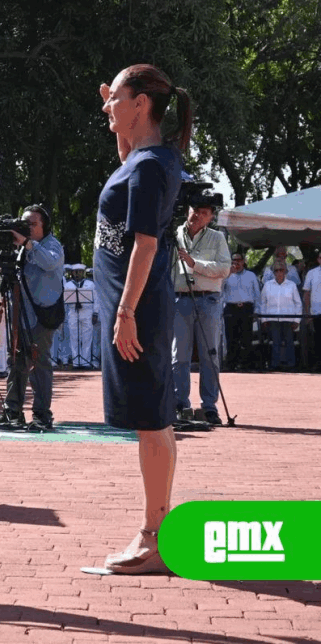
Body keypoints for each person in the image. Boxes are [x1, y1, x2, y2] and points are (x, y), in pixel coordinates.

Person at [90, 64, 189, 574]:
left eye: (116, 99)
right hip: (133, 305)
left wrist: (126, 311)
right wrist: (117, 118)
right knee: (156, 421)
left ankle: (153, 538)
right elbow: (126, 166)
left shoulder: (152, 166)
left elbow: (146, 244)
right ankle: (160, 530)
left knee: (151, 422)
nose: (106, 106)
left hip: (139, 307)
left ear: (142, 104)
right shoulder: (144, 159)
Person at [0, 205, 65, 430]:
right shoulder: (21, 246)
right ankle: (12, 410)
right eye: (24, 223)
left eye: (32, 224)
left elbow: (50, 263)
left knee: (40, 362)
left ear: (45, 226)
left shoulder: (51, 245)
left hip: (42, 314)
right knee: (16, 360)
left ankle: (42, 414)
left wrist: (27, 243)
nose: (27, 228)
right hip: (20, 312)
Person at [170, 195, 231, 423]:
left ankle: (209, 406)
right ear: (188, 210)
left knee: (210, 354)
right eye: (195, 210)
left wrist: (195, 264)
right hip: (180, 299)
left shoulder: (217, 238)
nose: (198, 216)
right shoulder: (173, 235)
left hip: (208, 300)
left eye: (204, 213)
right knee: (179, 355)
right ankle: (180, 404)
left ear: (211, 217)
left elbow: (224, 269)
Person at [259, 263, 302, 370]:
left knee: (289, 343)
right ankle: (274, 365)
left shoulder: (292, 285)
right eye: (276, 270)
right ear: (273, 273)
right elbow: (262, 303)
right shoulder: (267, 285)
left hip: (288, 319)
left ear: (285, 272)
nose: (279, 272)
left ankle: (291, 365)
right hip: (272, 319)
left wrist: (297, 320)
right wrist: (264, 319)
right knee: (275, 342)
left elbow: (298, 303)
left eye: (281, 270)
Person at [221, 253, 259, 371]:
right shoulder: (227, 275)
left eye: (238, 260)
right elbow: (220, 289)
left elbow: (256, 293)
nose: (236, 263)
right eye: (233, 260)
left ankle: (246, 364)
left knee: (246, 337)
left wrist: (257, 310)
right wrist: (228, 274)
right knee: (231, 337)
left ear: (243, 261)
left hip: (246, 308)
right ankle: (231, 363)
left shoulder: (251, 275)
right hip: (231, 307)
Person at [303, 255, 321, 371]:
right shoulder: (312, 273)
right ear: (318, 259)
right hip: (316, 312)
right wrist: (307, 312)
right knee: (318, 339)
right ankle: (319, 364)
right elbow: (307, 294)